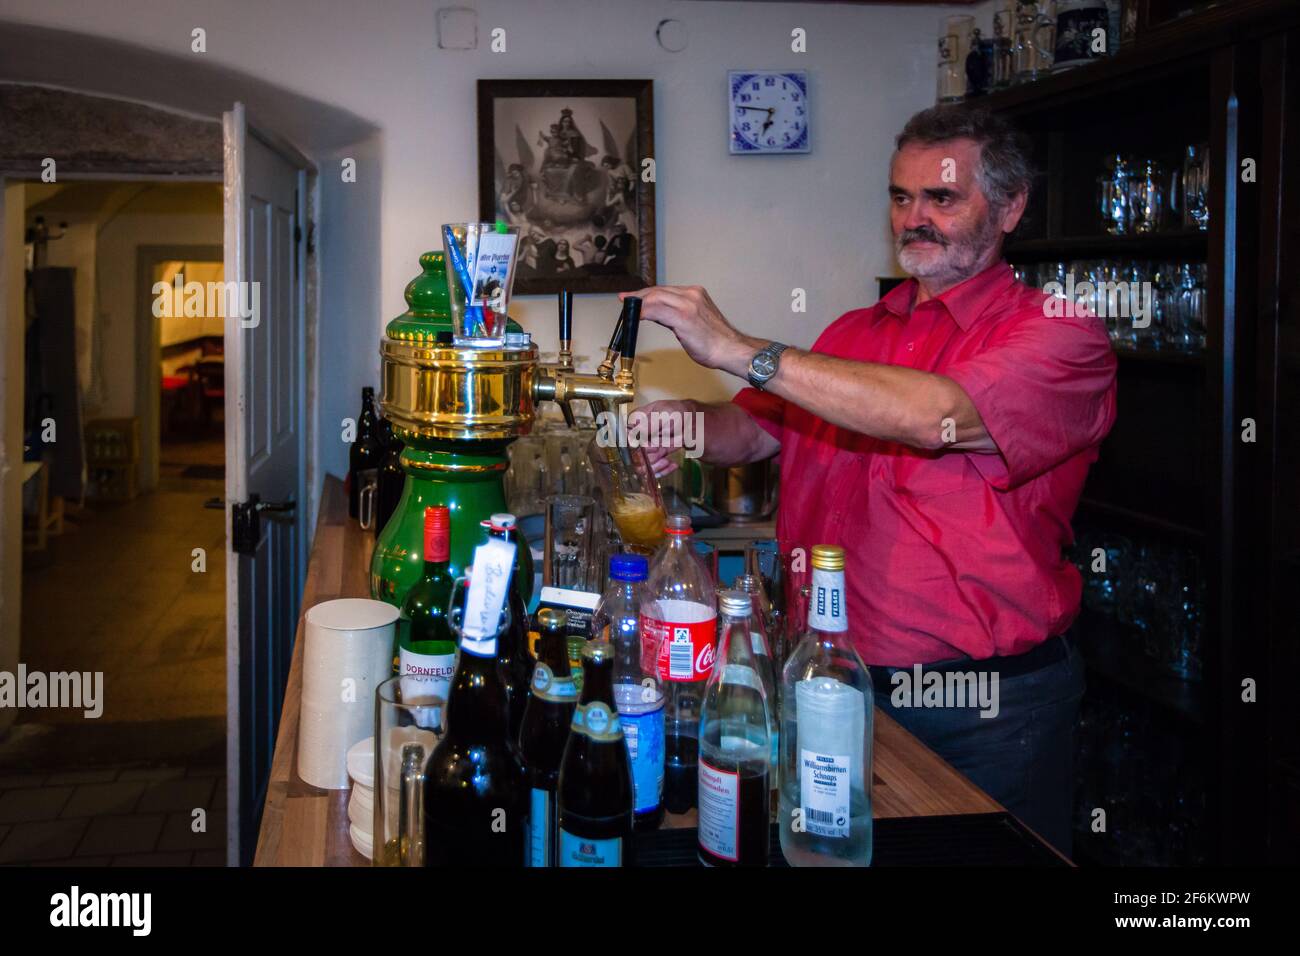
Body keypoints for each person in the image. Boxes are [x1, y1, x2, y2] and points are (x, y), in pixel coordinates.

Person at [625, 104, 1117, 853]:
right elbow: (752, 430)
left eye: (942, 199)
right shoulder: (855, 333)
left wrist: (737, 347)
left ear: (1011, 207)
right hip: (828, 680)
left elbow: (934, 415)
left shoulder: (1059, 334)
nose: (914, 218)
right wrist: (680, 424)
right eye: (900, 197)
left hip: (980, 705)